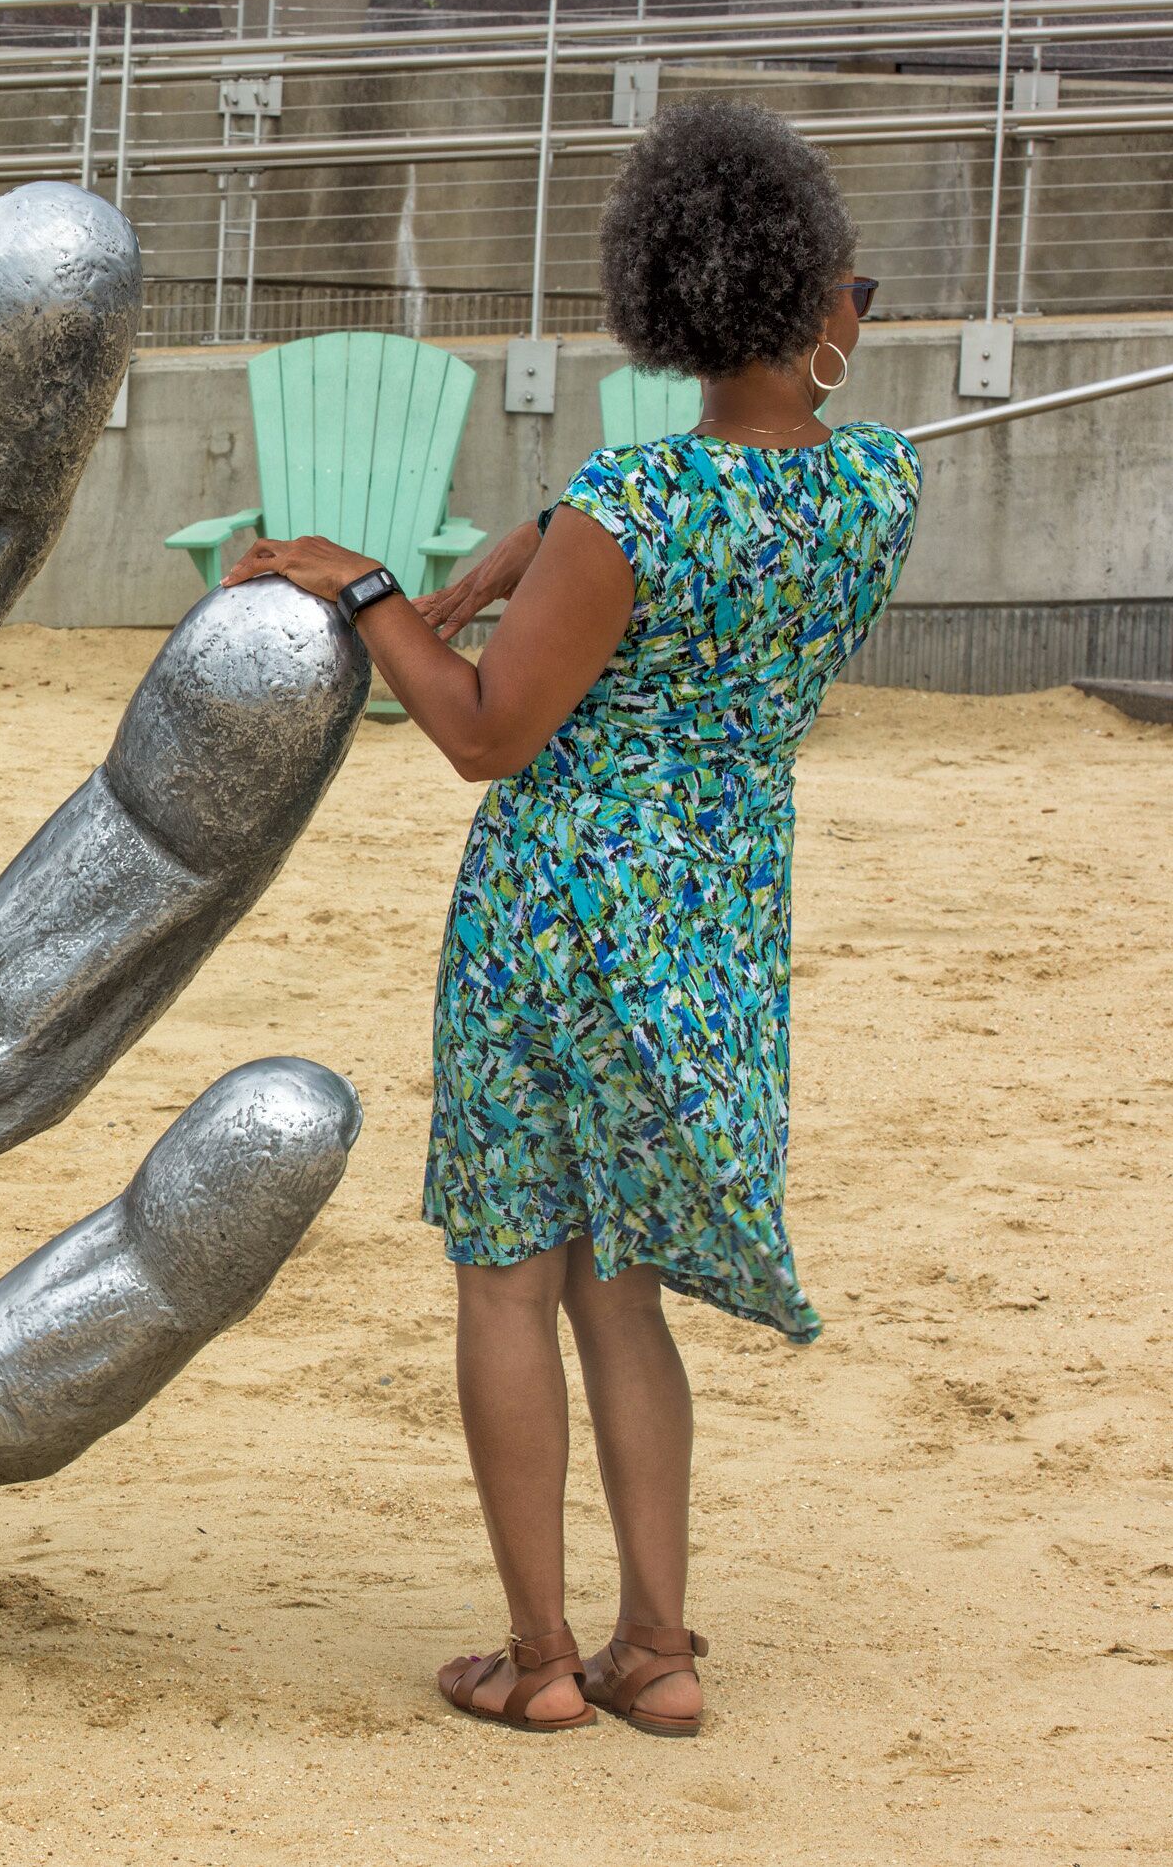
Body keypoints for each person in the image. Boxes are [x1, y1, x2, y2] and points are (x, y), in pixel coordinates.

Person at [221, 98, 920, 1736]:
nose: (865, 314)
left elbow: (481, 733)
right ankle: (657, 1647)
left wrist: (369, 584)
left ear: (672, 305)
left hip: (559, 921)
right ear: (811, 311)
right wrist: (546, 532)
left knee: (509, 1278)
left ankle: (539, 1662)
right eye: (857, 289)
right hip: (718, 933)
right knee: (626, 1289)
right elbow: (689, 509)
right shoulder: (877, 496)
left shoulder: (630, 518)